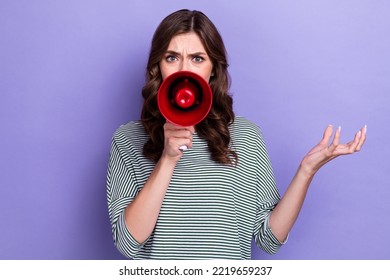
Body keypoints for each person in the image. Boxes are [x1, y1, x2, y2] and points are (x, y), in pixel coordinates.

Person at [106, 9, 367, 260]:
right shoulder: (128, 139)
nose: (183, 69)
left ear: (213, 70)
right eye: (171, 57)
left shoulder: (246, 136)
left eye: (197, 58)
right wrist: (168, 159)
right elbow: (129, 243)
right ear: (158, 67)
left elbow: (269, 238)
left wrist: (306, 171)